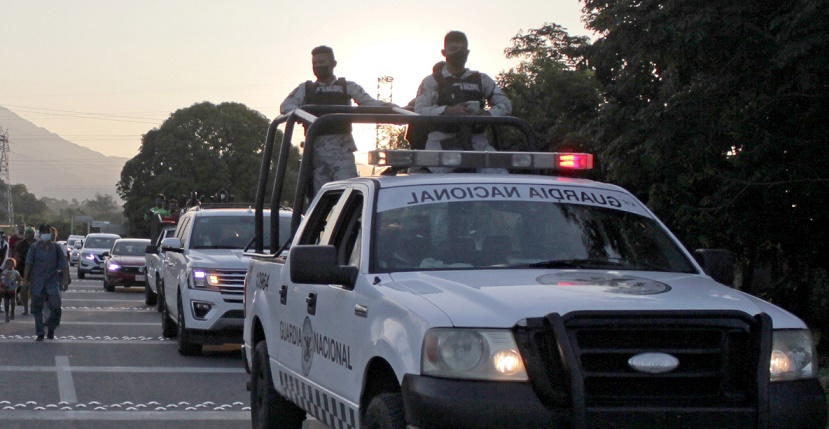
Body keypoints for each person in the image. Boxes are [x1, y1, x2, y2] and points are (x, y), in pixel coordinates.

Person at [280, 45, 390, 194]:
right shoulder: (305, 89)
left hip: (342, 150)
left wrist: (388, 106)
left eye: (322, 62)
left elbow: (369, 103)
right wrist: (302, 114)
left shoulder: (347, 86)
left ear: (333, 64)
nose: (318, 66)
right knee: (319, 197)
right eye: (315, 63)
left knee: (347, 195)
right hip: (316, 153)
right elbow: (286, 106)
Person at [414, 31, 512, 173]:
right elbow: (420, 110)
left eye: (462, 50)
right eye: (453, 49)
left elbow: (505, 104)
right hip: (441, 147)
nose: (458, 54)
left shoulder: (481, 79)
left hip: (478, 144)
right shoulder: (432, 81)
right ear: (444, 52)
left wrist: (487, 115)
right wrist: (448, 111)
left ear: (467, 52)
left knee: (502, 179)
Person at [22, 223, 69, 341]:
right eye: (43, 232)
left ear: (51, 233)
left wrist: (65, 279)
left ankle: (51, 326)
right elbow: (28, 264)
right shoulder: (34, 247)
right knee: (36, 308)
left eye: (47, 232)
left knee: (56, 306)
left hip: (52, 282)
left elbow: (63, 265)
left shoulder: (57, 248)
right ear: (40, 234)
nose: (46, 234)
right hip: (37, 282)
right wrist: (25, 280)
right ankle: (40, 332)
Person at [13, 226, 36, 315]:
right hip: (22, 269)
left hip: (35, 270)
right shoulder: (21, 244)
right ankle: (26, 308)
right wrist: (13, 268)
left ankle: (34, 307)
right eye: (27, 233)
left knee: (35, 291)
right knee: (23, 290)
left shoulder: (37, 243)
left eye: (30, 233)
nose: (28, 235)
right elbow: (16, 256)